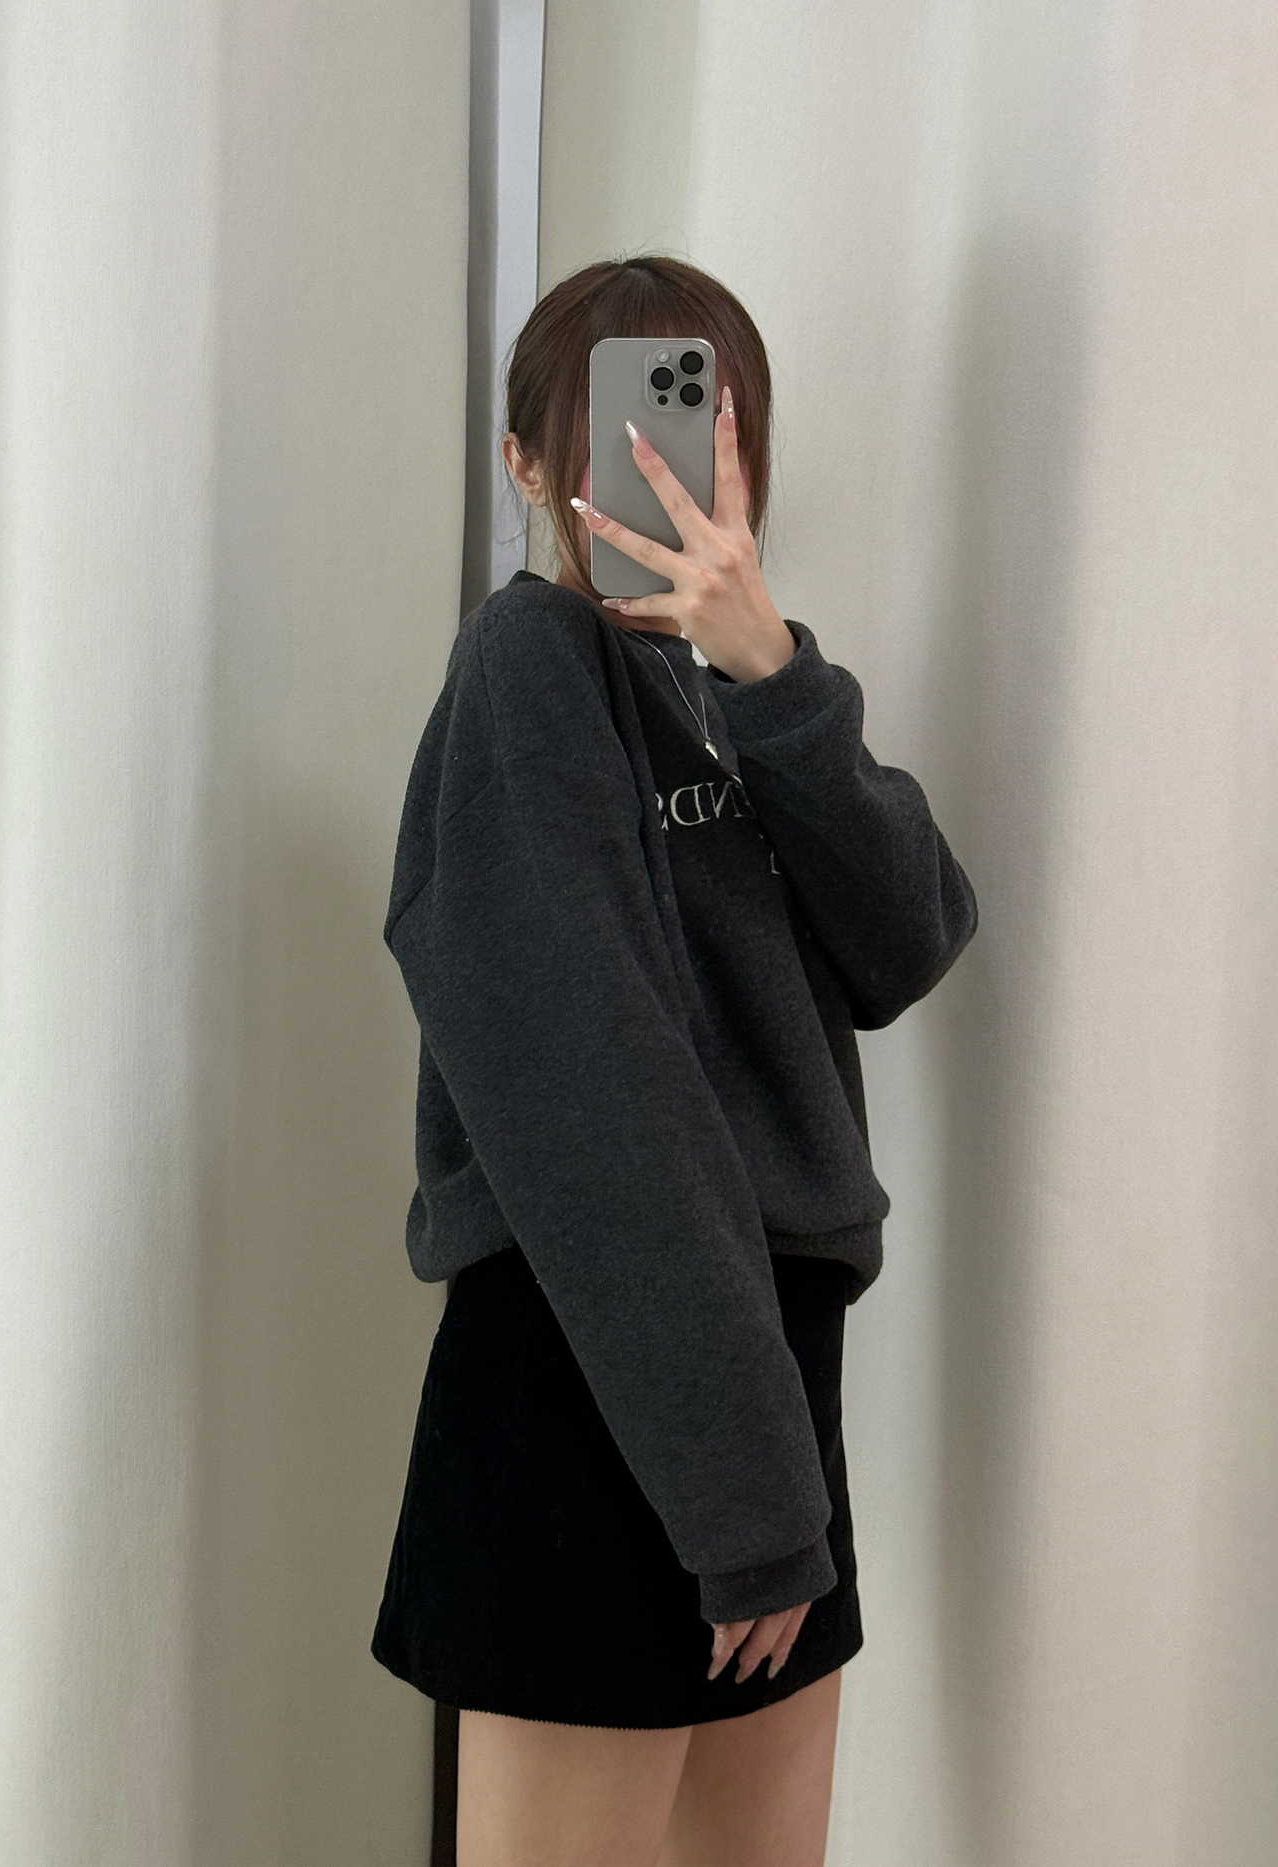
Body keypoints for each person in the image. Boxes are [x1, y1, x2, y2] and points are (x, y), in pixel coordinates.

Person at [370, 256, 979, 1867]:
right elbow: (599, 1105)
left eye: (703, 423)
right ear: (524, 464)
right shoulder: (525, 670)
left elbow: (911, 936)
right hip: (602, 1379)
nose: (666, 463)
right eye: (614, 430)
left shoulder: (743, 693)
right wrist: (749, 1499)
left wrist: (775, 672)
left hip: (758, 1386)